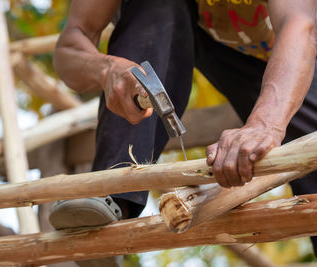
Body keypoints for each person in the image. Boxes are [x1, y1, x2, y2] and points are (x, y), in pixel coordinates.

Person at [50, 0, 317, 265]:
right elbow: (72, 42)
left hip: (298, 53)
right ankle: (113, 198)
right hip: (216, 41)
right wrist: (106, 69)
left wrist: (264, 124)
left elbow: (299, 24)